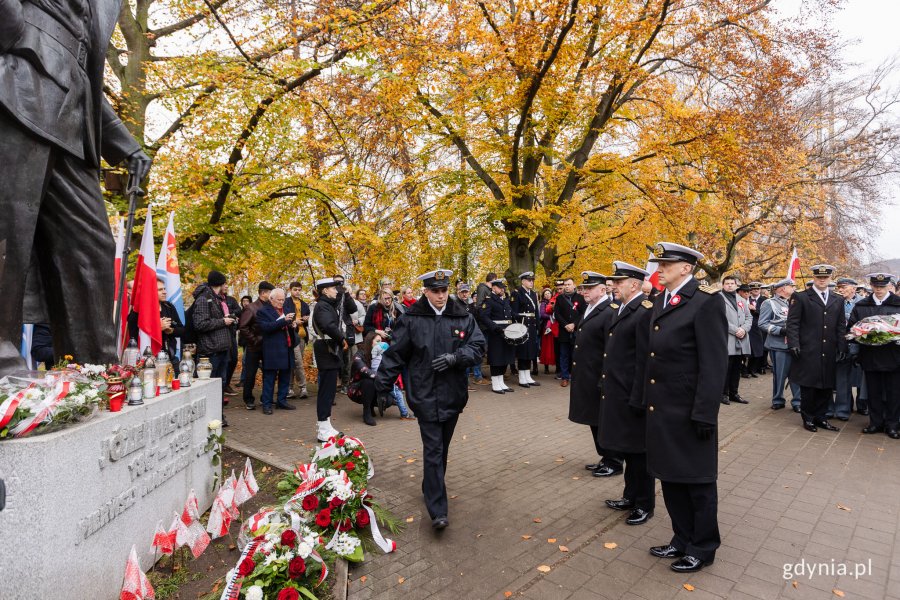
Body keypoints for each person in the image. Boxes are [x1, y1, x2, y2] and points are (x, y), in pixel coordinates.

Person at [0, 0, 152, 376]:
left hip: (71, 120)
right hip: (17, 91)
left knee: (93, 245)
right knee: (8, 231)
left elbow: (81, 75)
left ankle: (94, 365)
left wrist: (126, 146)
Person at [375, 269, 486, 529]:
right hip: (424, 395)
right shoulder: (412, 319)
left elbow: (478, 346)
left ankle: (430, 484)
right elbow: (395, 355)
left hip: (453, 395)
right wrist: (381, 386)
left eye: (443, 290)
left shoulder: (462, 316)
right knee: (433, 449)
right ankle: (438, 511)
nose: (440, 295)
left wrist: (456, 358)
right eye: (435, 291)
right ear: (425, 291)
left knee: (442, 448)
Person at [643, 242, 726, 573]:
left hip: (690, 412)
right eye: (659, 263)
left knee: (698, 482)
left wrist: (705, 412)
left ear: (686, 268)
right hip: (662, 410)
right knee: (671, 477)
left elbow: (714, 364)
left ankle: (703, 546)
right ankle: (681, 538)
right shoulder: (663, 300)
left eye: (666, 264)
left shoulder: (706, 304)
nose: (659, 269)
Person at [600, 262, 655, 525]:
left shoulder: (643, 311)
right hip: (618, 392)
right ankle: (630, 495)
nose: (613, 286)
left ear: (634, 284)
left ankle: (644, 503)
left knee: (639, 453)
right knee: (628, 449)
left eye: (618, 282)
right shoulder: (621, 308)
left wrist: (639, 397)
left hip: (633, 395)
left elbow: (645, 360)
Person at [567, 271, 620, 478]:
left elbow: (611, 348)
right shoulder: (590, 308)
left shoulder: (609, 311)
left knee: (604, 420)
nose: (584, 291)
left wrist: (603, 377)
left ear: (602, 289)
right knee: (593, 418)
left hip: (599, 376)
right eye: (583, 288)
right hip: (586, 375)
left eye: (589, 288)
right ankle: (605, 456)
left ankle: (614, 460)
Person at [786, 264, 848, 433]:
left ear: (830, 278)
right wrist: (794, 344)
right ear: (813, 277)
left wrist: (842, 346)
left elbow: (841, 325)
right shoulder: (801, 297)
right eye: (819, 277)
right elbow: (792, 323)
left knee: (827, 386)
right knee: (809, 386)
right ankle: (808, 418)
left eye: (825, 277)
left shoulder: (838, 299)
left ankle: (821, 417)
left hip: (829, 350)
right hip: (808, 349)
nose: (822, 280)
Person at [848, 273, 900, 439]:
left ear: (889, 286)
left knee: (894, 392)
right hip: (870, 355)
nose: (879, 290)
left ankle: (892, 425)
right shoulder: (862, 305)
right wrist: (858, 334)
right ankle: (875, 422)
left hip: (894, 356)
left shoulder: (898, 304)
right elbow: (851, 327)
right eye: (876, 286)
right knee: (873, 391)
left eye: (882, 287)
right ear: (871, 286)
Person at [192, 271, 238, 427]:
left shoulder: (218, 299)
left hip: (222, 349)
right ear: (220, 284)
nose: (227, 286)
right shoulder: (204, 299)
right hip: (210, 351)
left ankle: (218, 415)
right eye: (225, 283)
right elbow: (199, 324)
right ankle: (206, 419)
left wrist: (230, 319)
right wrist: (222, 322)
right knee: (208, 387)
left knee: (220, 385)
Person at [758, 279, 802, 411]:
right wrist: (780, 331)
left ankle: (797, 402)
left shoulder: (796, 302)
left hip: (796, 343)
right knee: (780, 374)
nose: (794, 288)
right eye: (791, 286)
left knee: (797, 374)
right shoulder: (769, 303)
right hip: (779, 345)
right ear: (783, 288)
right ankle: (778, 399)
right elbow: (762, 323)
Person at [311, 277, 346, 441]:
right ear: (324, 290)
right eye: (333, 288)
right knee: (326, 391)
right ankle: (322, 429)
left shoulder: (327, 304)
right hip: (326, 348)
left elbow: (343, 301)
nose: (336, 290)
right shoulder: (323, 306)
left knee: (330, 389)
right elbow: (329, 326)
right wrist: (342, 339)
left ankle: (326, 425)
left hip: (329, 348)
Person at [256, 288, 298, 414]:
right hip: (272, 349)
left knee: (285, 376)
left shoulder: (286, 310)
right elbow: (265, 328)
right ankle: (267, 404)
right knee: (270, 378)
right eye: (279, 300)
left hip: (287, 347)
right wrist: (283, 321)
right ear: (271, 299)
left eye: (283, 299)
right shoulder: (263, 311)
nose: (281, 302)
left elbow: (286, 327)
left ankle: (282, 401)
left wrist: (292, 325)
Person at [128, 277, 184, 365]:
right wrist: (158, 327)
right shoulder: (139, 311)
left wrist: (170, 330)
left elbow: (182, 330)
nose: (165, 292)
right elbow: (134, 334)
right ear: (151, 291)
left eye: (164, 289)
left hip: (170, 358)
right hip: (148, 361)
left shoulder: (169, 307)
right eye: (160, 290)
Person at [238, 282, 274, 410]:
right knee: (250, 374)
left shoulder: (271, 306)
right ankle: (248, 399)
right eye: (271, 292)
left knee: (268, 373)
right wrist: (254, 340)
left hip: (268, 346)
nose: (272, 295)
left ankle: (266, 397)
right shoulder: (251, 308)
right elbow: (243, 327)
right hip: (254, 346)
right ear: (263, 293)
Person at [833, 277, 865, 420]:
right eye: (839, 287)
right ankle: (842, 410)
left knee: (861, 378)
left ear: (854, 288)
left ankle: (863, 406)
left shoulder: (864, 303)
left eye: (844, 287)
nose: (840, 290)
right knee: (842, 379)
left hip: (860, 345)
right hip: (842, 345)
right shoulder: (835, 302)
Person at [478, 279, 516, 393]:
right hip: (496, 333)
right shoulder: (489, 300)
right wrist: (495, 328)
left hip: (507, 333)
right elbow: (484, 317)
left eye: (503, 287)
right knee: (496, 358)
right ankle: (495, 383)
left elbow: (510, 314)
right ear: (493, 288)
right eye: (500, 287)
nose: (502, 289)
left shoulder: (505, 299)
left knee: (505, 358)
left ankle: (501, 382)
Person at [720, 277, 751, 405]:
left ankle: (734, 393)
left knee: (737, 369)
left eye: (732, 284)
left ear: (736, 285)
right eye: (727, 284)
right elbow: (719, 318)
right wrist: (735, 330)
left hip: (741, 339)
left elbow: (749, 317)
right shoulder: (718, 299)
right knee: (726, 369)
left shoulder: (741, 300)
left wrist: (744, 329)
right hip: (727, 339)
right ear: (723, 285)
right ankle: (724, 394)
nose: (730, 286)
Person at [509, 272, 542, 387]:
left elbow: (536, 312)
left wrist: (538, 325)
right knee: (523, 351)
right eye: (529, 280)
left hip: (531, 326)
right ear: (523, 281)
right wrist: (520, 320)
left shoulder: (533, 294)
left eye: (532, 280)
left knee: (531, 351)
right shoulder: (517, 293)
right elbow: (513, 312)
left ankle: (527, 375)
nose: (531, 282)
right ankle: (522, 377)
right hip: (522, 325)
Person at [554, 277, 585, 387]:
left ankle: (576, 376)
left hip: (576, 331)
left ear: (574, 285)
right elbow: (557, 314)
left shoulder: (581, 298)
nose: (567, 286)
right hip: (564, 331)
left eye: (569, 284)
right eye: (565, 284)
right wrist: (565, 324)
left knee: (576, 355)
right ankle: (565, 377)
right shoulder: (560, 299)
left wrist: (574, 324)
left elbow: (583, 313)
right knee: (564, 355)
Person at [333, 275, 360, 395]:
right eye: (336, 283)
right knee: (334, 358)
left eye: (341, 282)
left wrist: (347, 295)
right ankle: (334, 384)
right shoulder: (330, 294)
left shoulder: (345, 294)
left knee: (347, 360)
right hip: (334, 330)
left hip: (346, 331)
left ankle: (345, 384)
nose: (339, 285)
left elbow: (353, 309)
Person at [284, 282, 310, 400]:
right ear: (290, 290)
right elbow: (284, 319)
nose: (297, 292)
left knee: (295, 362)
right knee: (296, 362)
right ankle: (301, 387)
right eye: (295, 289)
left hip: (302, 336)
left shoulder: (304, 304)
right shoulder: (286, 303)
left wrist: (306, 319)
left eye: (299, 290)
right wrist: (295, 322)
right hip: (291, 336)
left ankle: (290, 388)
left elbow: (308, 320)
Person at [350, 332, 380, 426]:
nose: (380, 344)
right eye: (378, 341)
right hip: (357, 388)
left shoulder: (380, 354)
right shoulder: (359, 355)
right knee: (368, 380)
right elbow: (364, 370)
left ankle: (372, 406)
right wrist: (383, 377)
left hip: (377, 383)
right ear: (370, 342)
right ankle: (366, 411)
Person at [221, 285, 242, 396]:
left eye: (226, 284)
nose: (226, 286)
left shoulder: (231, 300)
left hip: (231, 333)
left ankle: (227, 384)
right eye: (223, 284)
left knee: (233, 359)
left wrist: (231, 314)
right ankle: (222, 386)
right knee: (224, 360)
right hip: (220, 335)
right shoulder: (214, 300)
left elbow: (238, 310)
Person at [746, 282, 767, 375]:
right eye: (754, 289)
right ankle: (750, 369)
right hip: (750, 327)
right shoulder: (746, 299)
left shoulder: (765, 300)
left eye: (757, 289)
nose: (756, 290)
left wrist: (755, 309)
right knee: (752, 348)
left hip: (761, 327)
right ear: (750, 290)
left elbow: (766, 313)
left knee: (762, 348)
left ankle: (761, 367)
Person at [539, 288, 556, 375]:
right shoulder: (543, 303)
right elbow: (542, 314)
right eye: (545, 294)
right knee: (546, 346)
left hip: (554, 326)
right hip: (547, 326)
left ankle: (556, 366)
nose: (547, 295)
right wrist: (551, 316)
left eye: (549, 293)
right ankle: (546, 367)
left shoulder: (554, 301)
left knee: (554, 346)